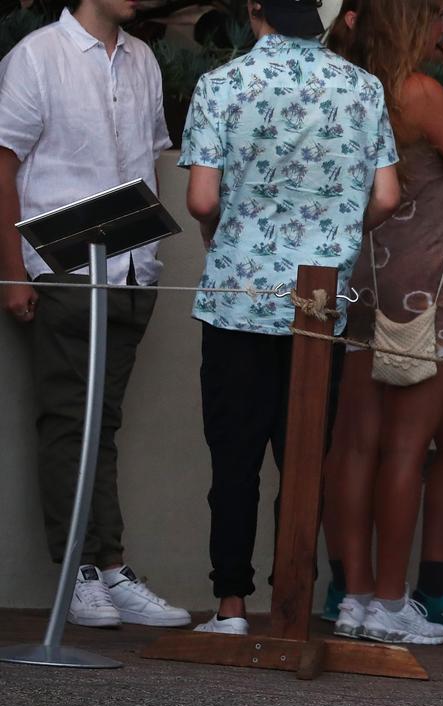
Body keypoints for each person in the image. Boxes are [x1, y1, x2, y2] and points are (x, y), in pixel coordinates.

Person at [180, 0, 400, 635]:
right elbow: (386, 195)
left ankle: (229, 607)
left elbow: (201, 197)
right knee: (304, 457)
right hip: (318, 301)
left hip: (236, 295)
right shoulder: (361, 87)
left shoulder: (223, 84)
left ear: (255, 8)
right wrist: (332, 235)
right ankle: (292, 606)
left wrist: (234, 233)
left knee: (234, 459)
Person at [0, 0, 190, 629]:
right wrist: (13, 273)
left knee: (100, 422)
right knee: (66, 420)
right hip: (64, 272)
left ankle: (110, 567)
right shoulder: (36, 56)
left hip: (133, 272)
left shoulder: (142, 58)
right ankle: (78, 570)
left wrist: (152, 255)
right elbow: (3, 165)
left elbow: (148, 163)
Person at [321, 0, 443, 645]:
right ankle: (392, 601)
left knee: (357, 445)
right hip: (422, 289)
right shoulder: (419, 91)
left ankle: (355, 598)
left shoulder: (345, 82)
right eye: (434, 19)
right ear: (406, 24)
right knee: (404, 447)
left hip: (362, 283)